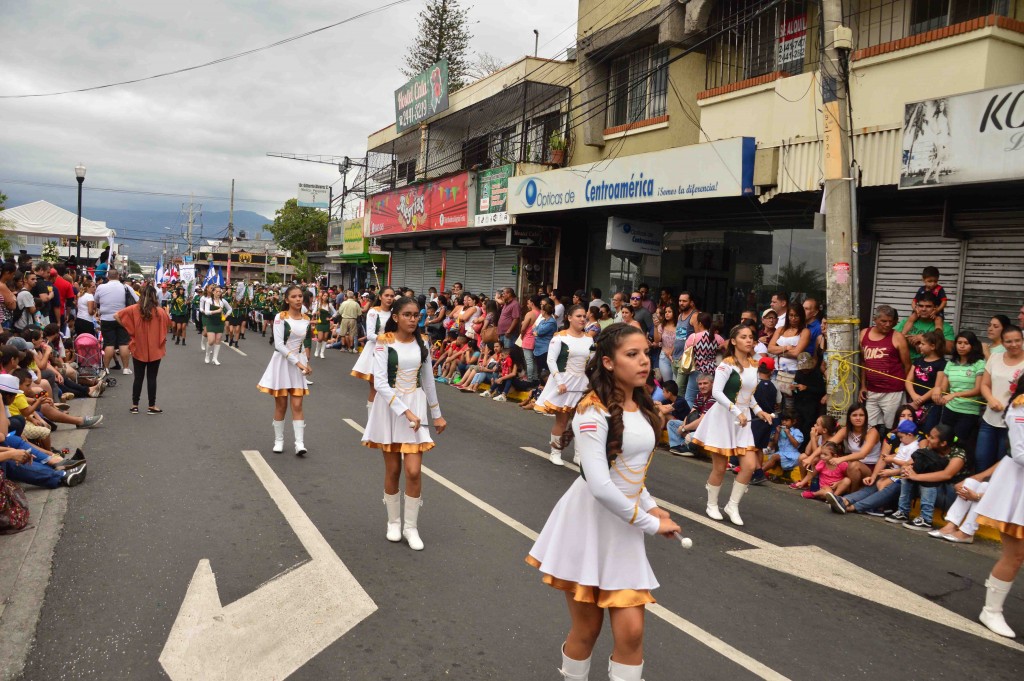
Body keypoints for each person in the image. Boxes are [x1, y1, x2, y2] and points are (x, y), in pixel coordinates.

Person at [526, 323, 681, 681]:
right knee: (588, 629)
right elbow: (599, 483)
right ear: (609, 363)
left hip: (624, 525)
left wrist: (651, 503)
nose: (644, 361)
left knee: (632, 632)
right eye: (632, 354)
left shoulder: (643, 407)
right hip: (587, 525)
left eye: (646, 353)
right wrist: (650, 523)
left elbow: (628, 471)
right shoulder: (591, 411)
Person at [362, 296, 446, 551]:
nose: (413, 319)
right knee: (393, 470)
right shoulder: (383, 343)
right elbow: (380, 384)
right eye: (408, 314)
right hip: (390, 409)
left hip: (416, 405)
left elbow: (428, 380)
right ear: (395, 317)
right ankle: (393, 522)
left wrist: (437, 413)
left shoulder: (424, 343)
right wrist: (406, 412)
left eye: (416, 315)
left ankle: (411, 527)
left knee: (413, 471)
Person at [693, 324, 774, 526]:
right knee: (720, 467)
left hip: (742, 420)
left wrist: (758, 411)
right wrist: (737, 411)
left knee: (749, 466)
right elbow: (716, 393)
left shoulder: (754, 365)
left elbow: (749, 395)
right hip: (723, 418)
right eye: (744, 337)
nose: (749, 340)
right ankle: (712, 504)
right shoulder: (725, 365)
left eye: (751, 337)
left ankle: (732, 505)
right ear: (734, 341)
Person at [973, 378, 1024, 638]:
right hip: (1017, 489)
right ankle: (991, 611)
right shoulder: (1020, 407)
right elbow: (1020, 453)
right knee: (1015, 555)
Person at [258, 285, 312, 456]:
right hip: (282, 363)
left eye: (300, 296)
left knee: (297, 404)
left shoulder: (306, 319)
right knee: (281, 405)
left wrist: (305, 361)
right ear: (287, 299)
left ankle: (299, 443)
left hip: (298, 363)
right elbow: (279, 345)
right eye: (294, 296)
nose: (298, 299)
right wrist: (298, 363)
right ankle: (279, 440)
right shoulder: (280, 317)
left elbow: (302, 344)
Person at [536, 305, 594, 466]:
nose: (582, 319)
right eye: (579, 316)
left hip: (582, 384)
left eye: (584, 316)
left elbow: (591, 361)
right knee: (562, 421)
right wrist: (559, 382)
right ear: (569, 317)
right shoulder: (559, 338)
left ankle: (578, 455)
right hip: (564, 384)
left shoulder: (589, 339)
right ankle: (555, 452)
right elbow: (551, 360)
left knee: (580, 422)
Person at [888, 423, 967, 531]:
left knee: (927, 480)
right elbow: (908, 464)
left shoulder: (958, 454)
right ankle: (903, 512)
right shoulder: (930, 449)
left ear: (943, 443)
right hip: (933, 491)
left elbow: (946, 475)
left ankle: (926, 519)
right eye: (929, 435)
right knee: (907, 477)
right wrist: (908, 469)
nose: (928, 439)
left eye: (932, 437)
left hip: (951, 494)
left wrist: (916, 476)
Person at [115, 286, 171, 415]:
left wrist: (129, 328)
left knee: (138, 378)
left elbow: (117, 315)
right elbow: (168, 323)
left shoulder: (134, 309)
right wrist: (166, 312)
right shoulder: (159, 311)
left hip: (138, 347)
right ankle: (151, 406)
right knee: (152, 378)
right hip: (155, 348)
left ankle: (135, 405)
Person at [977, 325, 1024, 472]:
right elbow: (984, 384)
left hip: (1014, 423)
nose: (1014, 344)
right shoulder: (995, 358)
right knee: (981, 460)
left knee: (1004, 467)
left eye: (1017, 340)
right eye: (1009, 341)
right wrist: (990, 399)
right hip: (989, 419)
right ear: (1002, 343)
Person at [860, 305, 911, 427]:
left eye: (890, 321)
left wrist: (905, 388)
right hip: (871, 390)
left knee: (892, 426)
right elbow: (863, 363)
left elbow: (908, 366)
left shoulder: (898, 337)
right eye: (884, 321)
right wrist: (863, 386)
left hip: (893, 391)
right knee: (869, 426)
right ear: (875, 319)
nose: (888, 324)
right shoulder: (863, 334)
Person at [930, 462, 999, 544]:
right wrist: (964, 482)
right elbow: (981, 476)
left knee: (985, 486)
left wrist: (977, 496)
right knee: (970, 482)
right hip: (993, 495)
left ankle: (967, 532)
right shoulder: (1008, 460)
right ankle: (951, 525)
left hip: (1005, 503)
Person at [937, 331, 986, 446]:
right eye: (959, 343)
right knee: (944, 441)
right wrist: (938, 391)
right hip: (950, 409)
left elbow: (978, 390)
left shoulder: (979, 364)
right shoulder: (951, 363)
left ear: (973, 346)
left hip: (968, 412)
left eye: (966, 343)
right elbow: (944, 387)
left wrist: (954, 395)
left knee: (959, 442)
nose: (962, 346)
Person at [351, 286, 395, 412]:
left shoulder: (395, 313)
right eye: (386, 295)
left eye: (392, 296)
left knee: (390, 389)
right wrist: (387, 339)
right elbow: (370, 335)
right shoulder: (373, 312)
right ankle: (371, 423)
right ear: (380, 297)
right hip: (375, 351)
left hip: (392, 352)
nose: (389, 298)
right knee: (376, 388)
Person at [829, 403, 882, 491]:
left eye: (861, 415)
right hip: (852, 464)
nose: (858, 418)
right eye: (854, 415)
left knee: (854, 465)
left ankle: (852, 494)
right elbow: (828, 444)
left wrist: (841, 459)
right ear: (849, 417)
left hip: (870, 467)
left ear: (866, 417)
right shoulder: (845, 430)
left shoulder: (872, 432)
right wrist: (811, 458)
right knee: (824, 459)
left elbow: (862, 454)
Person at [93, 269, 136, 374]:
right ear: (119, 276)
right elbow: (136, 300)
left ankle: (106, 368)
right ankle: (125, 368)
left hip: (106, 318)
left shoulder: (101, 287)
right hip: (122, 318)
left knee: (109, 343)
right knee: (124, 342)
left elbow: (96, 301)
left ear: (107, 277)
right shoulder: (126, 287)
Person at [905, 329, 947, 433]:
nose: (920, 346)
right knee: (910, 430)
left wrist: (920, 400)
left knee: (926, 431)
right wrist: (914, 396)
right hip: (913, 401)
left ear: (932, 346)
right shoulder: (918, 360)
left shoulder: (942, 364)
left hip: (930, 405)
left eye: (923, 344)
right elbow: (908, 380)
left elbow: (937, 387)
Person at [768, 303, 811, 401]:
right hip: (776, 370)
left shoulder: (805, 331)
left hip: (793, 371)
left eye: (796, 316)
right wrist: (787, 348)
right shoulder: (780, 329)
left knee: (790, 403)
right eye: (791, 315)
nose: (793, 318)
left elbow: (796, 353)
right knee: (775, 401)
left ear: (801, 316)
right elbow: (770, 348)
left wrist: (778, 351)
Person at [683, 312, 724, 407]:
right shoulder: (718, 338)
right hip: (713, 373)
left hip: (697, 371)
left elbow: (686, 352)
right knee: (711, 399)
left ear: (700, 324)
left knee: (690, 398)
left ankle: (690, 419)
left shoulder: (693, 337)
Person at [902, 292, 954, 359]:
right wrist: (911, 340)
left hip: (931, 367)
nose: (923, 309)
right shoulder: (907, 321)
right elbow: (891, 337)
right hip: (905, 366)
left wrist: (925, 338)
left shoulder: (944, 326)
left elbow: (951, 349)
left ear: (935, 308)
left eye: (928, 306)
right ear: (916, 307)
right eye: (921, 306)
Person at [763, 410, 803, 478]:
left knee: (774, 457)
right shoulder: (781, 430)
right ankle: (758, 471)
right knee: (771, 459)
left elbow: (796, 444)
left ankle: (759, 473)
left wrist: (789, 434)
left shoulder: (796, 432)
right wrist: (777, 432)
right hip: (781, 454)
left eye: (786, 420)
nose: (784, 422)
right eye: (782, 420)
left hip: (792, 456)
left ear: (794, 422)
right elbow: (775, 442)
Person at [201, 286, 230, 366]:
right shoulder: (208, 301)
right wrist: (216, 311)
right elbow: (206, 312)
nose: (218, 293)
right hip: (210, 321)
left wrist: (225, 316)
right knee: (211, 341)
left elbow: (230, 309)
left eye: (219, 291)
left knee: (218, 340)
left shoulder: (223, 301)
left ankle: (215, 358)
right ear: (213, 292)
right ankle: (207, 355)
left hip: (220, 322)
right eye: (217, 291)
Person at [532, 299, 557, 380]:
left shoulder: (551, 322)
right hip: (538, 349)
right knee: (539, 369)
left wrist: (537, 332)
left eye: (542, 310)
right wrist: (536, 332)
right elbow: (534, 329)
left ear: (545, 311)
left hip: (545, 349)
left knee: (544, 370)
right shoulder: (543, 321)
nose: (540, 311)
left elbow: (539, 331)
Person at [654, 304, 677, 382]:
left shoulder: (680, 326)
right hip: (664, 357)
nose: (667, 313)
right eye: (665, 312)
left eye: (669, 312)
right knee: (667, 382)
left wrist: (672, 351)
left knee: (676, 383)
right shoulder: (662, 326)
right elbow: (657, 340)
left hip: (676, 357)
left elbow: (681, 340)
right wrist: (655, 327)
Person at [310, 290, 336, 359]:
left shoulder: (329, 304)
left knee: (325, 338)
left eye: (327, 296)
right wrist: (316, 313)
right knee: (320, 338)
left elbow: (335, 312)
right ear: (322, 296)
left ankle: (322, 353)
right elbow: (313, 312)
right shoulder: (318, 304)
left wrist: (331, 318)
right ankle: (317, 350)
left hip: (326, 323)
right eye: (324, 295)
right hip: (320, 323)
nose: (326, 297)